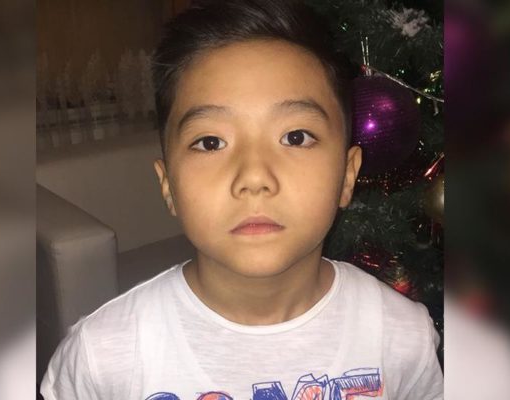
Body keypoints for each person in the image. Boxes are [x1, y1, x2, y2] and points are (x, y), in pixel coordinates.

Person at [40, 0, 443, 399]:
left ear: (347, 175)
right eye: (211, 142)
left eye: (295, 137)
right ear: (168, 186)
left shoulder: (401, 338)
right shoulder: (103, 359)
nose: (254, 177)